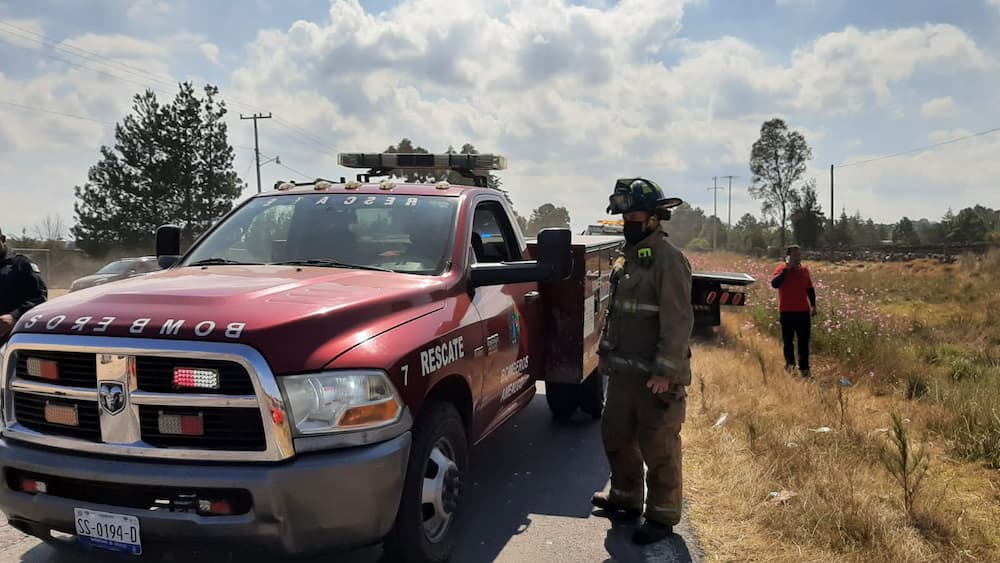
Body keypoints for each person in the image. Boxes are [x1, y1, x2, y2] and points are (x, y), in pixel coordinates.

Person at [592, 178, 692, 545]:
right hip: (623, 374)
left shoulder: (669, 260)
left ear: (653, 218)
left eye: (634, 215)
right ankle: (626, 499)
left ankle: (662, 517)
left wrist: (666, 371)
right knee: (616, 437)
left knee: (658, 446)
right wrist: (605, 352)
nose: (628, 222)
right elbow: (616, 312)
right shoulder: (628, 258)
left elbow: (678, 320)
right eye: (625, 216)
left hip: (655, 379)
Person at [770, 245, 817, 377]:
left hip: (803, 312)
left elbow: (810, 288)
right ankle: (790, 364)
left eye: (799, 254)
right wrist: (786, 269)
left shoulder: (805, 270)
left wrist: (813, 305)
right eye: (794, 255)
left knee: (803, 341)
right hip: (787, 312)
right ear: (788, 257)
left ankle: (804, 368)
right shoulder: (781, 270)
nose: (797, 257)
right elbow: (775, 284)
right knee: (788, 341)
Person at [0, 226, 48, 343]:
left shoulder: (21, 265)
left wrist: (14, 316)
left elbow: (40, 297)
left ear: (3, 239)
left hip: (12, 339)